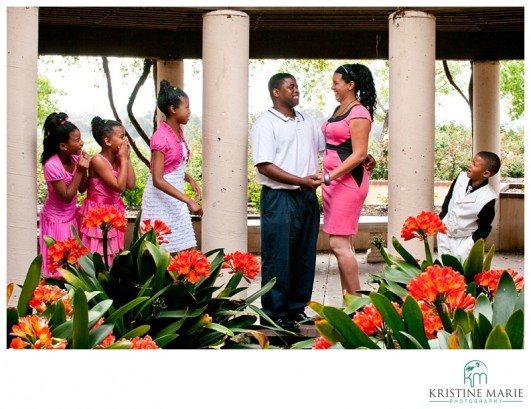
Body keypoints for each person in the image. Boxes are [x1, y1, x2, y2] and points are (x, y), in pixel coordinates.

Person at [251, 73, 324, 331]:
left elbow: (330, 147)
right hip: (279, 198)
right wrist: (301, 181)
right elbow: (265, 166)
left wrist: (362, 156)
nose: (296, 90)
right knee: (277, 256)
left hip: (306, 197)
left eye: (297, 86)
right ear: (276, 92)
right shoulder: (265, 124)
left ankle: (296, 309)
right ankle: (274, 313)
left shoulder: (307, 121)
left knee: (304, 256)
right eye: (290, 86)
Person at [320, 63, 377, 298]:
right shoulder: (338, 110)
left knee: (338, 245)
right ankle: (349, 303)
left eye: (336, 82)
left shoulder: (359, 112)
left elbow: (359, 154)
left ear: (350, 85)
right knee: (343, 245)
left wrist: (327, 176)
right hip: (332, 183)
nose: (333, 86)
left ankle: (358, 308)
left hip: (348, 183)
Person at [141, 80, 202, 254]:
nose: (190, 111)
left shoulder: (178, 133)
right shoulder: (160, 137)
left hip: (175, 199)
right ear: (173, 109)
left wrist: (188, 178)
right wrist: (189, 200)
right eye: (187, 107)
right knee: (162, 253)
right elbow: (157, 179)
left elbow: (172, 164)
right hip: (160, 200)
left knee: (187, 249)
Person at [78, 117, 136, 263]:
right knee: (98, 252)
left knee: (112, 252)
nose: (125, 140)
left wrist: (126, 158)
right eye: (122, 137)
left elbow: (130, 184)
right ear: (108, 141)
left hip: (114, 210)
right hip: (98, 211)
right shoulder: (97, 160)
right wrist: (123, 159)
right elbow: (119, 186)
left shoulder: (119, 158)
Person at [39, 112, 90, 277]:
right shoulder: (52, 165)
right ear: (63, 146)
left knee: (73, 264)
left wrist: (84, 169)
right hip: (56, 221)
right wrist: (80, 171)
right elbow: (67, 196)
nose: (81, 143)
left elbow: (82, 188)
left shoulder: (75, 158)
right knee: (60, 266)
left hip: (70, 218)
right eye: (77, 140)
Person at [437, 151, 501, 261]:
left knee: (462, 275)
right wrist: (442, 219)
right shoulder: (461, 178)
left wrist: (472, 241)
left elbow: (485, 226)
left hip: (465, 242)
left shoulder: (489, 198)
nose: (470, 165)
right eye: (472, 161)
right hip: (445, 235)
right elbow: (448, 200)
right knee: (442, 272)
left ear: (485, 173)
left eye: (475, 164)